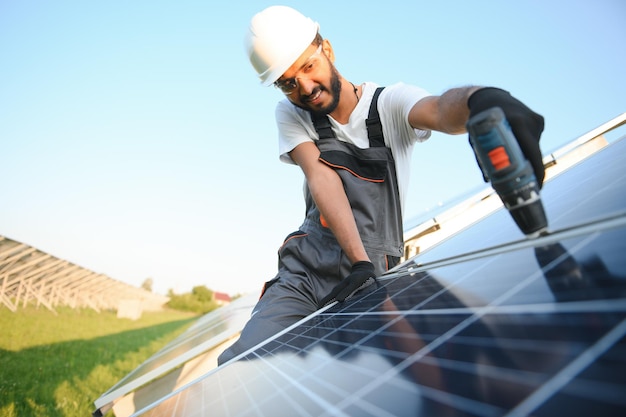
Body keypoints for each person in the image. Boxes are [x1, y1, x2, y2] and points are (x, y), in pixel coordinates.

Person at [217, 5, 545, 365]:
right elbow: (322, 176)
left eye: (308, 67)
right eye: (288, 83)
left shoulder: (388, 105)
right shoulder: (292, 114)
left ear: (327, 50)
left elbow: (438, 109)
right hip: (306, 274)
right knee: (244, 367)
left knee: (424, 376)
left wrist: (482, 99)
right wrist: (358, 262)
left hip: (373, 277)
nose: (305, 88)